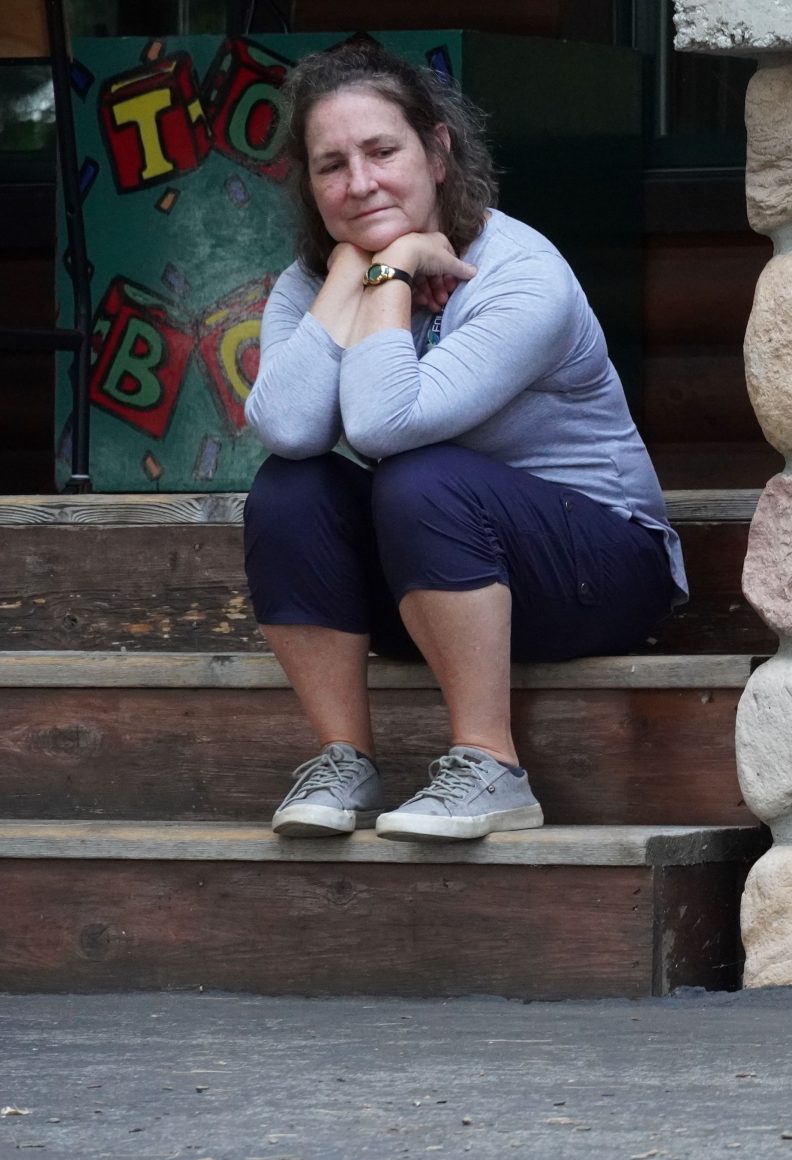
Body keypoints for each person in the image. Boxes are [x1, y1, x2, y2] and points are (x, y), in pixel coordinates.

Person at [242, 40, 686, 843]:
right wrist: (352, 271)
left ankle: (491, 766)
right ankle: (344, 760)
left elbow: (384, 424)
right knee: (288, 487)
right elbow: (290, 428)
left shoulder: (521, 274)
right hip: (440, 581)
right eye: (330, 165)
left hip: (601, 570)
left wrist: (394, 267)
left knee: (420, 476)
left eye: (382, 151)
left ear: (438, 150)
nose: (359, 182)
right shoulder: (310, 283)